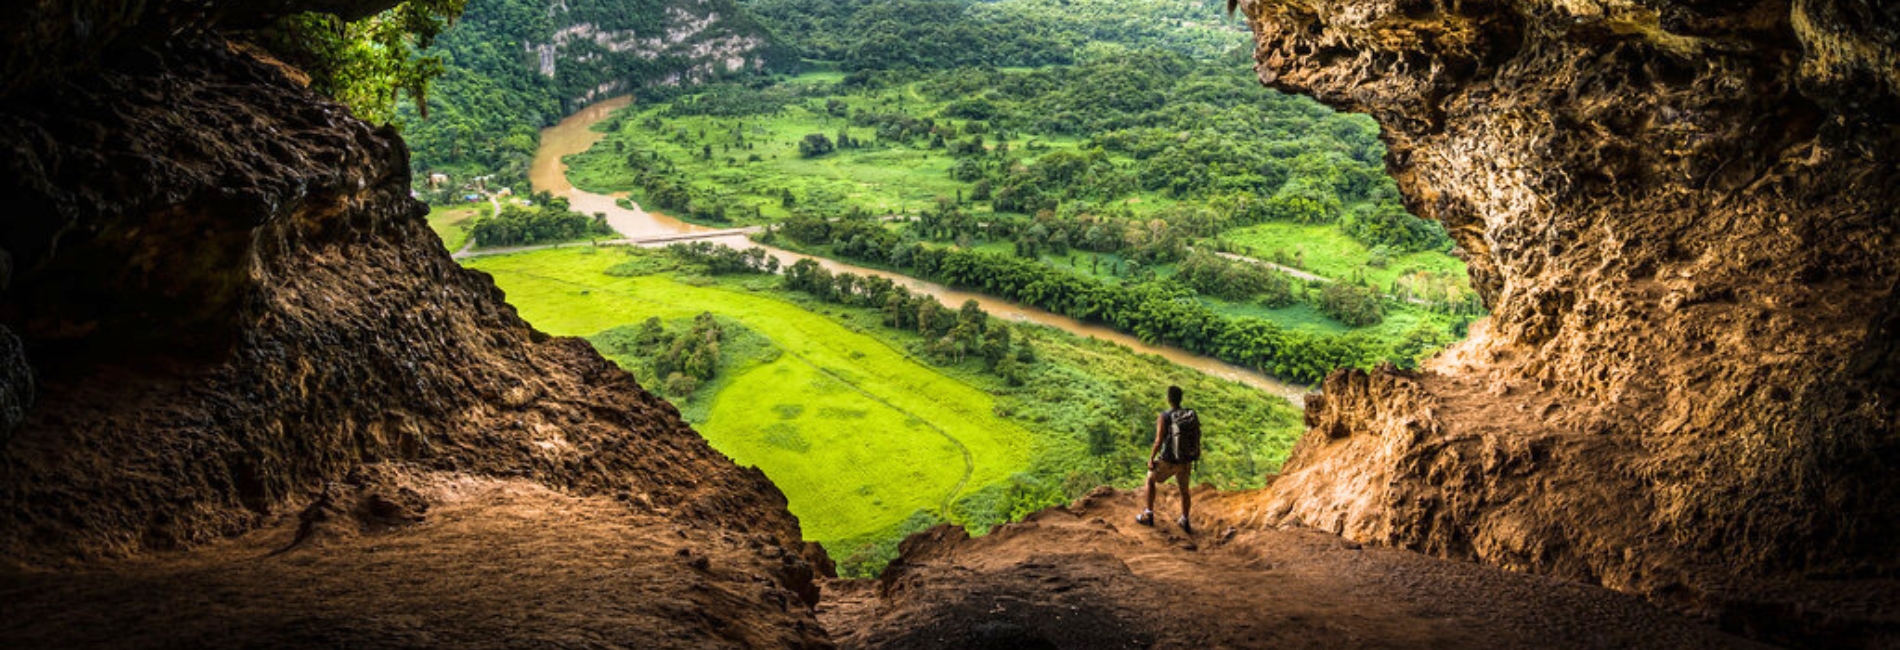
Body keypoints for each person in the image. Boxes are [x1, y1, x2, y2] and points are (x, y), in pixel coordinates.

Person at [1137, 385, 1196, 532]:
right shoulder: (1188, 415)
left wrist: (1151, 459)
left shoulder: (1165, 416)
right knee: (1184, 490)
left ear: (1168, 399)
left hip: (1168, 460)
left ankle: (1148, 514)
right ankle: (1185, 519)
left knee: (1150, 479)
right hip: (1185, 460)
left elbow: (1158, 440)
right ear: (1180, 399)